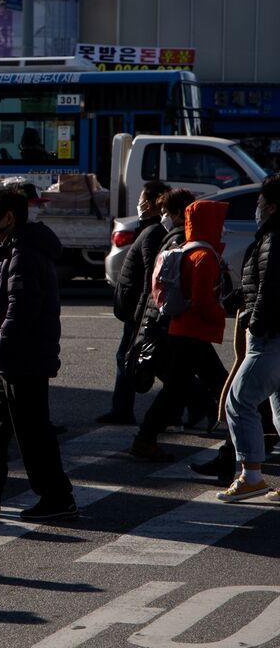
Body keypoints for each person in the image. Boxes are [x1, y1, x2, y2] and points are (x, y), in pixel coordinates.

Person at [0, 190, 77, 521]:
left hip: (24, 357)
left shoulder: (25, 254)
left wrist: (2, 344)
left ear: (9, 217)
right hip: (10, 357)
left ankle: (57, 498)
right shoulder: (11, 249)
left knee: (33, 432)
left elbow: (22, 308)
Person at [130, 196, 228, 461]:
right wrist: (221, 314)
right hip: (193, 332)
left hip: (180, 329)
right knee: (222, 384)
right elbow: (203, 300)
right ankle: (248, 437)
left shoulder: (187, 249)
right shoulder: (204, 256)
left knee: (178, 388)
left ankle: (145, 438)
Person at [218, 174, 280, 502]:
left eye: (260, 203)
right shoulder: (269, 237)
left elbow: (271, 288)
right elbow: (261, 282)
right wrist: (236, 299)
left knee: (238, 401)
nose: (257, 208)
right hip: (272, 333)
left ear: (271, 205)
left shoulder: (273, 238)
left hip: (270, 337)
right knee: (279, 407)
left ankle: (251, 476)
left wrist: (255, 326)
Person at [100, 181, 170, 426]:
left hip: (139, 311)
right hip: (137, 309)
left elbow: (151, 274)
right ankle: (194, 405)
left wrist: (143, 311)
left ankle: (122, 410)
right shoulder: (149, 229)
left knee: (131, 357)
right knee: (152, 360)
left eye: (142, 200)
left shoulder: (152, 233)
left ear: (150, 204)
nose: (139, 204)